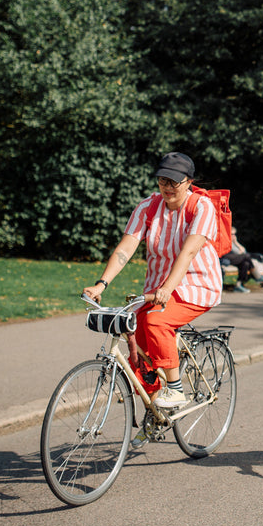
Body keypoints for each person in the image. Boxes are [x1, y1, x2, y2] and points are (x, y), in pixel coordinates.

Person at [83, 152, 222, 410]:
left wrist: (168, 289)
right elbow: (126, 248)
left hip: (197, 285)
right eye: (162, 180)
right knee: (134, 332)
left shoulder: (201, 207)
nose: (167, 187)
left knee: (156, 320)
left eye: (174, 182)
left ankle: (176, 389)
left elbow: (188, 252)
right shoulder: (148, 207)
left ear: (189, 181)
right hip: (157, 289)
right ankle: (155, 408)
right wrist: (101, 284)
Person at [221, 228, 263, 292]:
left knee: (246, 263)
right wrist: (238, 248)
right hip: (227, 259)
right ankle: (257, 276)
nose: (234, 236)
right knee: (247, 256)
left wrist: (236, 242)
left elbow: (244, 251)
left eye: (235, 234)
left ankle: (238, 285)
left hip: (237, 259)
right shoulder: (227, 241)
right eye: (232, 234)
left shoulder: (234, 242)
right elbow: (239, 253)